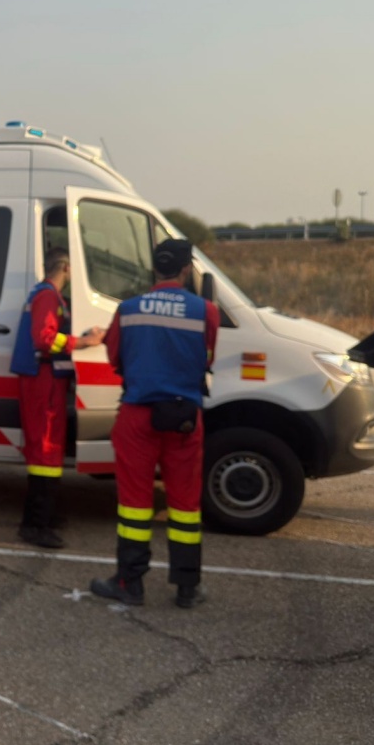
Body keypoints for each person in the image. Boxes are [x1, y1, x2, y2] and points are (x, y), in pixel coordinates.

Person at [90, 239, 219, 609]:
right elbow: (207, 357)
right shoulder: (205, 311)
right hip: (183, 419)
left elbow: (115, 357)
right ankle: (187, 587)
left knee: (134, 503)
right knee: (184, 505)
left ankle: (130, 583)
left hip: (137, 416)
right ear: (185, 269)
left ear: (154, 268)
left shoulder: (128, 310)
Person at [10, 247, 104, 548]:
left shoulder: (48, 295)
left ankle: (43, 515)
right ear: (65, 267)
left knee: (48, 450)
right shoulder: (48, 296)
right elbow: (44, 338)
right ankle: (34, 524)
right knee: (45, 451)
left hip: (46, 380)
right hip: (43, 381)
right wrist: (85, 341)